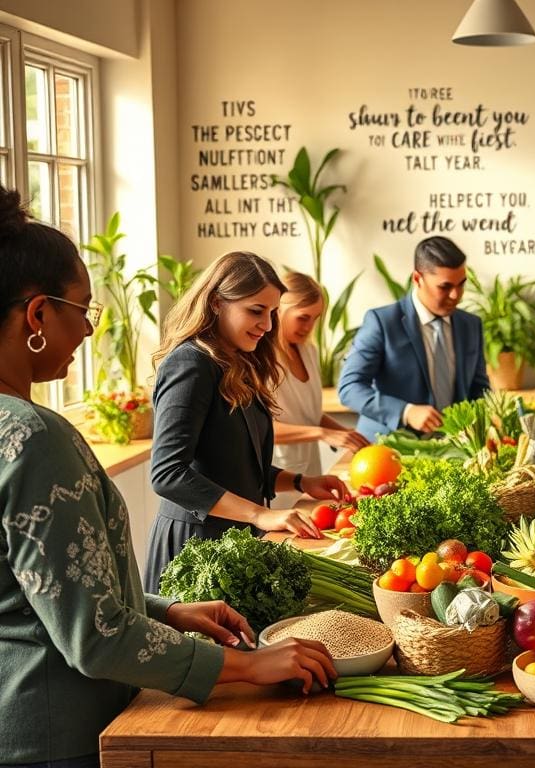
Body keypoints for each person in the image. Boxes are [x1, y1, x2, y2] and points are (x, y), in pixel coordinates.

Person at [0, 188, 336, 768]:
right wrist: (248, 664)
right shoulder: (34, 437)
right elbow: (95, 635)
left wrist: (163, 610)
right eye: (83, 309)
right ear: (37, 315)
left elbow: (38, 594)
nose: (88, 331)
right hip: (57, 732)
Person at [143, 252, 348, 593]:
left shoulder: (238, 363)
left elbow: (236, 464)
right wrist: (260, 514)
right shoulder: (190, 364)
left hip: (232, 542)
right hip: (194, 549)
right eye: (256, 310)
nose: (267, 325)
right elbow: (168, 474)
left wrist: (301, 482)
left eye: (272, 312)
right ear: (215, 303)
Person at [338, 236, 489, 442]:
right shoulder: (382, 322)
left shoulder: (471, 325)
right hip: (389, 446)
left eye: (461, 284)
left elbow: (479, 389)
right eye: (445, 287)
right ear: (417, 279)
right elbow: (349, 388)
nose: (456, 295)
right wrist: (405, 412)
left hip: (454, 448)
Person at [272, 272, 369, 508]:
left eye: (315, 319)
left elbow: (309, 413)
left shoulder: (309, 352)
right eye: (303, 317)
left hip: (309, 473)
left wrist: (345, 434)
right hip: (277, 476)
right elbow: (261, 429)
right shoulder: (262, 360)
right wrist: (323, 434)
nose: (309, 327)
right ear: (278, 308)